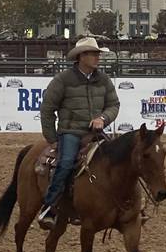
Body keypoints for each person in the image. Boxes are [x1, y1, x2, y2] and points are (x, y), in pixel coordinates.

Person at [37, 37, 119, 228]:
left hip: (97, 132)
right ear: (82, 56)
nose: (98, 57)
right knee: (65, 164)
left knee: (121, 158)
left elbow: (113, 105)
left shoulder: (103, 79)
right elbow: (47, 110)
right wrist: (52, 139)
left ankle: (121, 206)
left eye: (98, 54)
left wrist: (103, 119)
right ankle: (49, 207)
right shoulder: (63, 80)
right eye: (93, 54)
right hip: (71, 133)